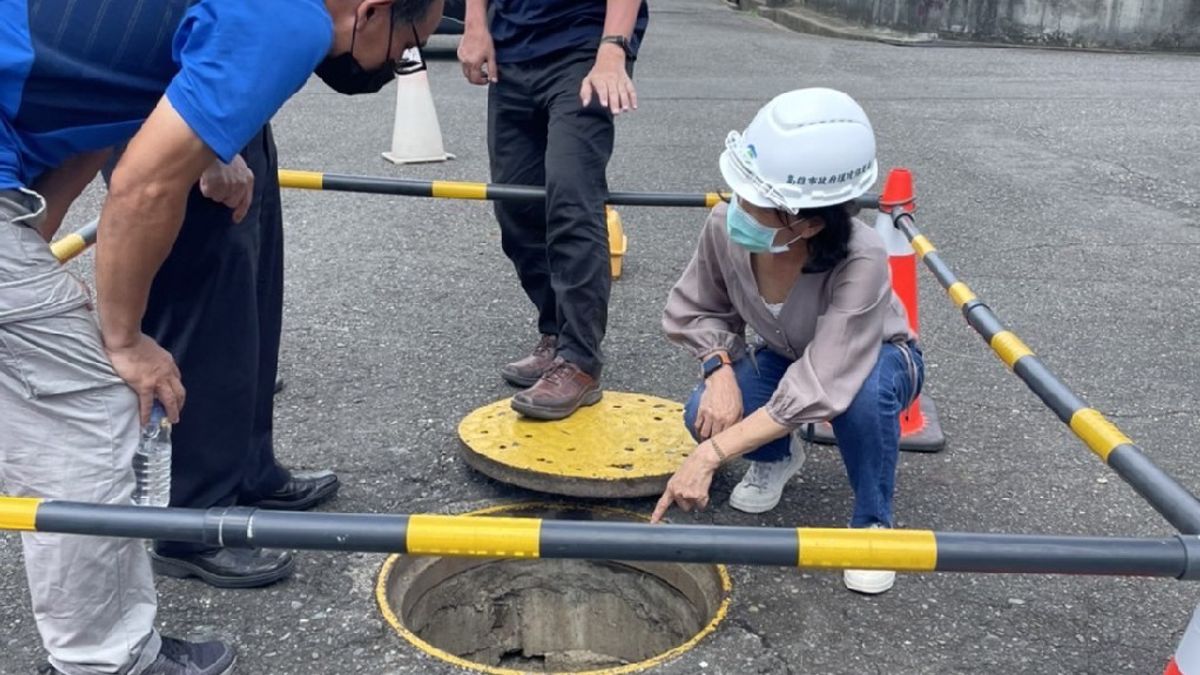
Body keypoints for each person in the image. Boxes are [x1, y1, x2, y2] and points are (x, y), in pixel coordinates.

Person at [0, 1, 443, 674]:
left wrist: (27, 256)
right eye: (407, 46)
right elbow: (143, 187)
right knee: (92, 413)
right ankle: (107, 662)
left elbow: (92, 130)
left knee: (33, 380)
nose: (398, 62)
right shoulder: (291, 19)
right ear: (374, 10)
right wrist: (123, 341)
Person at [651, 88, 925, 596]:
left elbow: (823, 381)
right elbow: (697, 307)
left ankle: (873, 524)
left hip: (878, 357)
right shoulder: (725, 225)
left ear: (810, 222)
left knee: (863, 400)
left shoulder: (862, 257)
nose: (738, 207)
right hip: (789, 353)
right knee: (702, 413)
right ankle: (776, 457)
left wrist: (710, 456)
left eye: (756, 201)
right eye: (740, 190)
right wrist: (718, 368)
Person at [457, 0, 649, 420]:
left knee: (571, 199)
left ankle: (579, 361)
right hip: (511, 45)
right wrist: (475, 24)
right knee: (516, 207)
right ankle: (556, 333)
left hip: (584, 45)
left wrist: (613, 47)